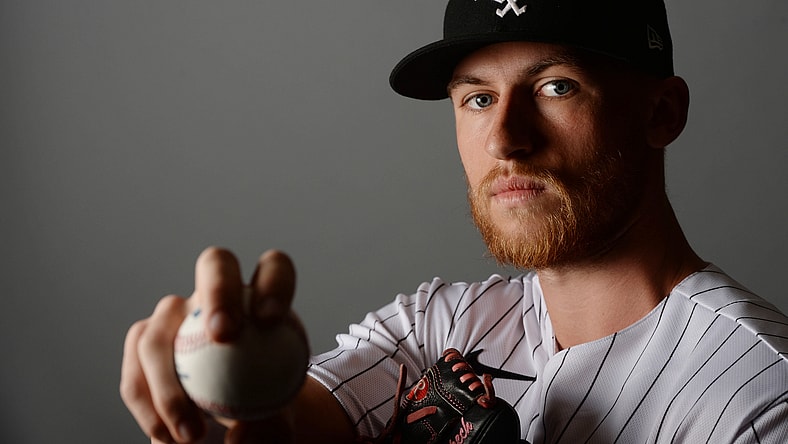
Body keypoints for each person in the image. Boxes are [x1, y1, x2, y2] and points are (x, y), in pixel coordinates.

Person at [120, 0, 788, 443]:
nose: (505, 138)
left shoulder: (758, 395)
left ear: (661, 113)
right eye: (477, 97)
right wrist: (235, 396)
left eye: (557, 86)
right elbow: (291, 425)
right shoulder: (435, 325)